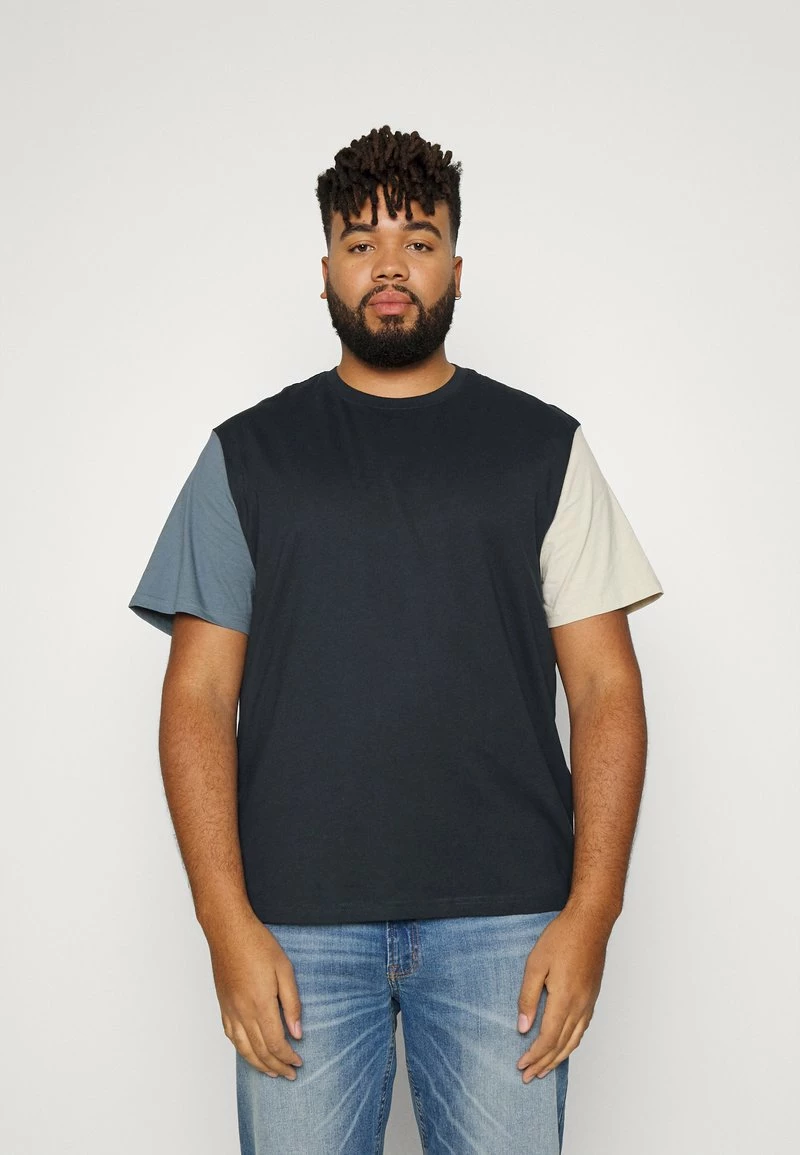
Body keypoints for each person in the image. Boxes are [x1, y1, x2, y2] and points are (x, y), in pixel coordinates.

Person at [128, 125, 664, 1154]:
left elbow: (606, 688)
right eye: (360, 241)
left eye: (417, 241)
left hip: (508, 930)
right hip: (293, 930)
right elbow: (195, 696)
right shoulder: (245, 457)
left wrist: (590, 916)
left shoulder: (543, 449)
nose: (388, 265)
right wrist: (225, 924)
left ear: (456, 268)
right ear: (325, 268)